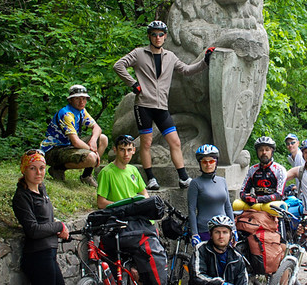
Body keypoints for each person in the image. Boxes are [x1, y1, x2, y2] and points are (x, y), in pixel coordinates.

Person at [113, 20, 215, 190]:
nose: (157, 37)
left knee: (174, 142)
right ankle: (151, 178)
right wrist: (133, 84)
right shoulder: (139, 53)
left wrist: (205, 61)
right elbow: (119, 65)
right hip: (143, 106)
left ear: (165, 36)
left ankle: (183, 178)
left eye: (161, 34)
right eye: (154, 34)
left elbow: (187, 70)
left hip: (161, 107)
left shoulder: (170, 56)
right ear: (149, 36)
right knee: (146, 143)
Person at [96, 134, 168, 285]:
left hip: (138, 220)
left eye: (129, 150)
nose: (126, 154)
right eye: (122, 150)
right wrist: (123, 206)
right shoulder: (107, 172)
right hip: (121, 223)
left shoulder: (134, 170)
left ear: (134, 150)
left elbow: (144, 194)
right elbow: (101, 203)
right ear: (115, 150)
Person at [11, 150, 69, 285]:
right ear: (24, 170)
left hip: (49, 254)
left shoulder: (41, 189)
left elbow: (46, 220)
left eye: (42, 168)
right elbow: (33, 230)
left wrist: (58, 227)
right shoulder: (22, 197)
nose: (38, 173)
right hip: (38, 255)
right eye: (33, 168)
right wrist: (59, 226)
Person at [39, 84, 108, 187]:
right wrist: (93, 151)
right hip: (54, 150)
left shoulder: (81, 111)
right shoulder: (66, 114)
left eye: (84, 98)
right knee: (92, 158)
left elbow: (97, 128)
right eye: (77, 99)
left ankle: (86, 176)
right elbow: (75, 141)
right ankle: (57, 169)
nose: (82, 102)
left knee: (103, 139)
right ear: (70, 100)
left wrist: (93, 140)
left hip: (69, 146)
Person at [188, 144, 235, 246]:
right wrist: (194, 234)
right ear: (200, 164)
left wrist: (233, 229)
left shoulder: (222, 181)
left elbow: (228, 207)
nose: (208, 164)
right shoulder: (195, 183)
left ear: (216, 162)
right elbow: (191, 210)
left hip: (224, 230)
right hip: (205, 230)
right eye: (204, 161)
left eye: (211, 161)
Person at [191, 215, 249, 285]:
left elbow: (243, 281)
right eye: (217, 232)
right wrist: (220, 283)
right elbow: (197, 276)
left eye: (225, 232)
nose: (221, 236)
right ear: (211, 234)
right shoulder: (201, 249)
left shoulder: (237, 257)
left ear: (230, 235)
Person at [238, 136, 288, 205]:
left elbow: (279, 195)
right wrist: (246, 198)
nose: (264, 152)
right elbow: (243, 191)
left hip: (275, 207)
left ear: (272, 152)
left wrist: (259, 199)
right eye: (261, 150)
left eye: (267, 150)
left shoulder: (279, 170)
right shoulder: (252, 170)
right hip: (256, 206)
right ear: (257, 152)